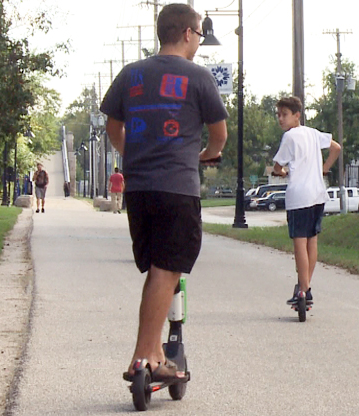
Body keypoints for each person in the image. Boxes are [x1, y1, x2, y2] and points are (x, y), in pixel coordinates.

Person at [100, 3, 228, 382]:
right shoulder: (198, 77)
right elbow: (219, 135)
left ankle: (156, 352)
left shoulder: (130, 74)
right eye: (200, 36)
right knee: (167, 269)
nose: (200, 43)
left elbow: (112, 127)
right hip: (177, 187)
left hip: (139, 189)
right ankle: (143, 358)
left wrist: (133, 154)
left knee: (159, 271)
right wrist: (206, 155)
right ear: (188, 33)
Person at [272, 96, 341, 306]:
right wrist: (325, 167)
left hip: (299, 195)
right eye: (278, 115)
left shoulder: (290, 137)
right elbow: (336, 148)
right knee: (312, 240)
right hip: (317, 193)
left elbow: (277, 167)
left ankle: (303, 290)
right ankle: (305, 286)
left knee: (299, 243)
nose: (280, 119)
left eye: (284, 115)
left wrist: (282, 172)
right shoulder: (313, 134)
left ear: (297, 115)